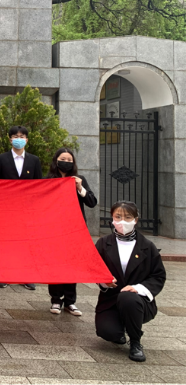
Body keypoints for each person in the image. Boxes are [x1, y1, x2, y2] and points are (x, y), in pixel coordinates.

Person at [95, 201, 166, 362]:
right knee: (107, 332)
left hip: (137, 301)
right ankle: (120, 329)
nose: (123, 221)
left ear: (136, 220)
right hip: (110, 300)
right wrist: (104, 281)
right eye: (118, 217)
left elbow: (158, 275)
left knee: (128, 297)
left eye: (128, 217)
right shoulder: (103, 243)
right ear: (112, 218)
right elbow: (94, 269)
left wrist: (139, 288)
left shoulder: (147, 246)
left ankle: (135, 342)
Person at [46, 148, 97, 316]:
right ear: (56, 160)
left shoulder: (79, 179)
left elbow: (92, 202)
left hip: (74, 230)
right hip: (53, 230)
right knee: (55, 265)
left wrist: (80, 188)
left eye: (69, 160)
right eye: (63, 159)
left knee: (72, 265)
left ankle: (70, 301)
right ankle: (55, 300)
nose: (66, 162)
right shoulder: (48, 180)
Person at [0, 125, 42, 290]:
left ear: (27, 140)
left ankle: (25, 276)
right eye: (15, 136)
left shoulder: (34, 160)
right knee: (6, 242)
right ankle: (4, 275)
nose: (19, 139)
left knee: (26, 242)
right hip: (6, 209)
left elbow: (38, 185)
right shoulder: (1, 159)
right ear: (10, 139)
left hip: (27, 209)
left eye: (22, 136)